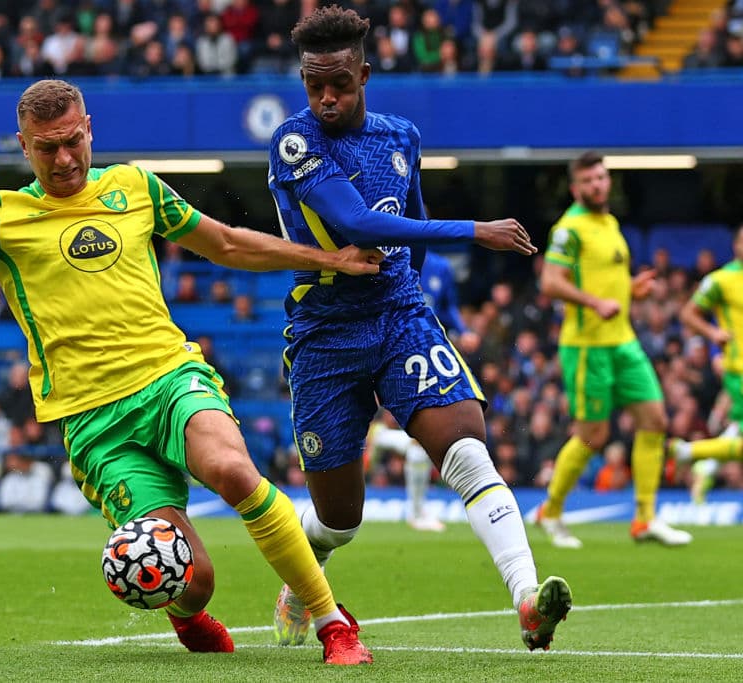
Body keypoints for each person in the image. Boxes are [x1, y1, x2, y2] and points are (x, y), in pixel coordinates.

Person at [0, 78, 382, 665]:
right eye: (47, 148)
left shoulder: (136, 187)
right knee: (193, 579)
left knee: (231, 469)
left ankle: (332, 623)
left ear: (90, 129)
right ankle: (187, 613)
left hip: (168, 378)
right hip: (94, 423)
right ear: (23, 146)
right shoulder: (2, 218)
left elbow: (225, 244)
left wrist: (327, 259)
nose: (64, 158)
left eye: (74, 141)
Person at [266, 5, 570, 654]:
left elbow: (412, 215)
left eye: (339, 84)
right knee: (342, 518)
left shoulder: (401, 136)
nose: (325, 97)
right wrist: (475, 230)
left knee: (465, 444)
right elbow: (359, 224)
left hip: (399, 316)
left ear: (365, 74)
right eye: (313, 84)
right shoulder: (294, 142)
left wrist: (416, 300)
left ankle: (526, 597)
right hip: (324, 335)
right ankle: (302, 579)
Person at [536, 150, 692, 548]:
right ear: (576, 187)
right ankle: (550, 511)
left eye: (602, 178)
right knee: (593, 435)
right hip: (588, 347)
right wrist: (594, 303)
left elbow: (609, 282)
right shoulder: (569, 229)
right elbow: (550, 282)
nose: (597, 185)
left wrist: (630, 290)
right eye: (588, 180)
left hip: (623, 341)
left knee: (655, 419)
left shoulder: (610, 223)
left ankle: (645, 519)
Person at [668, 224, 743, 500]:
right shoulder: (720, 280)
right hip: (738, 369)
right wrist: (713, 334)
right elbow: (688, 314)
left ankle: (697, 459)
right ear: (735, 246)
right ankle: (695, 456)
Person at [363, 408, 444, 532]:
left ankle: (418, 512)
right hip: (383, 427)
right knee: (418, 451)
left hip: (390, 431)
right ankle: (416, 513)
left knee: (418, 451)